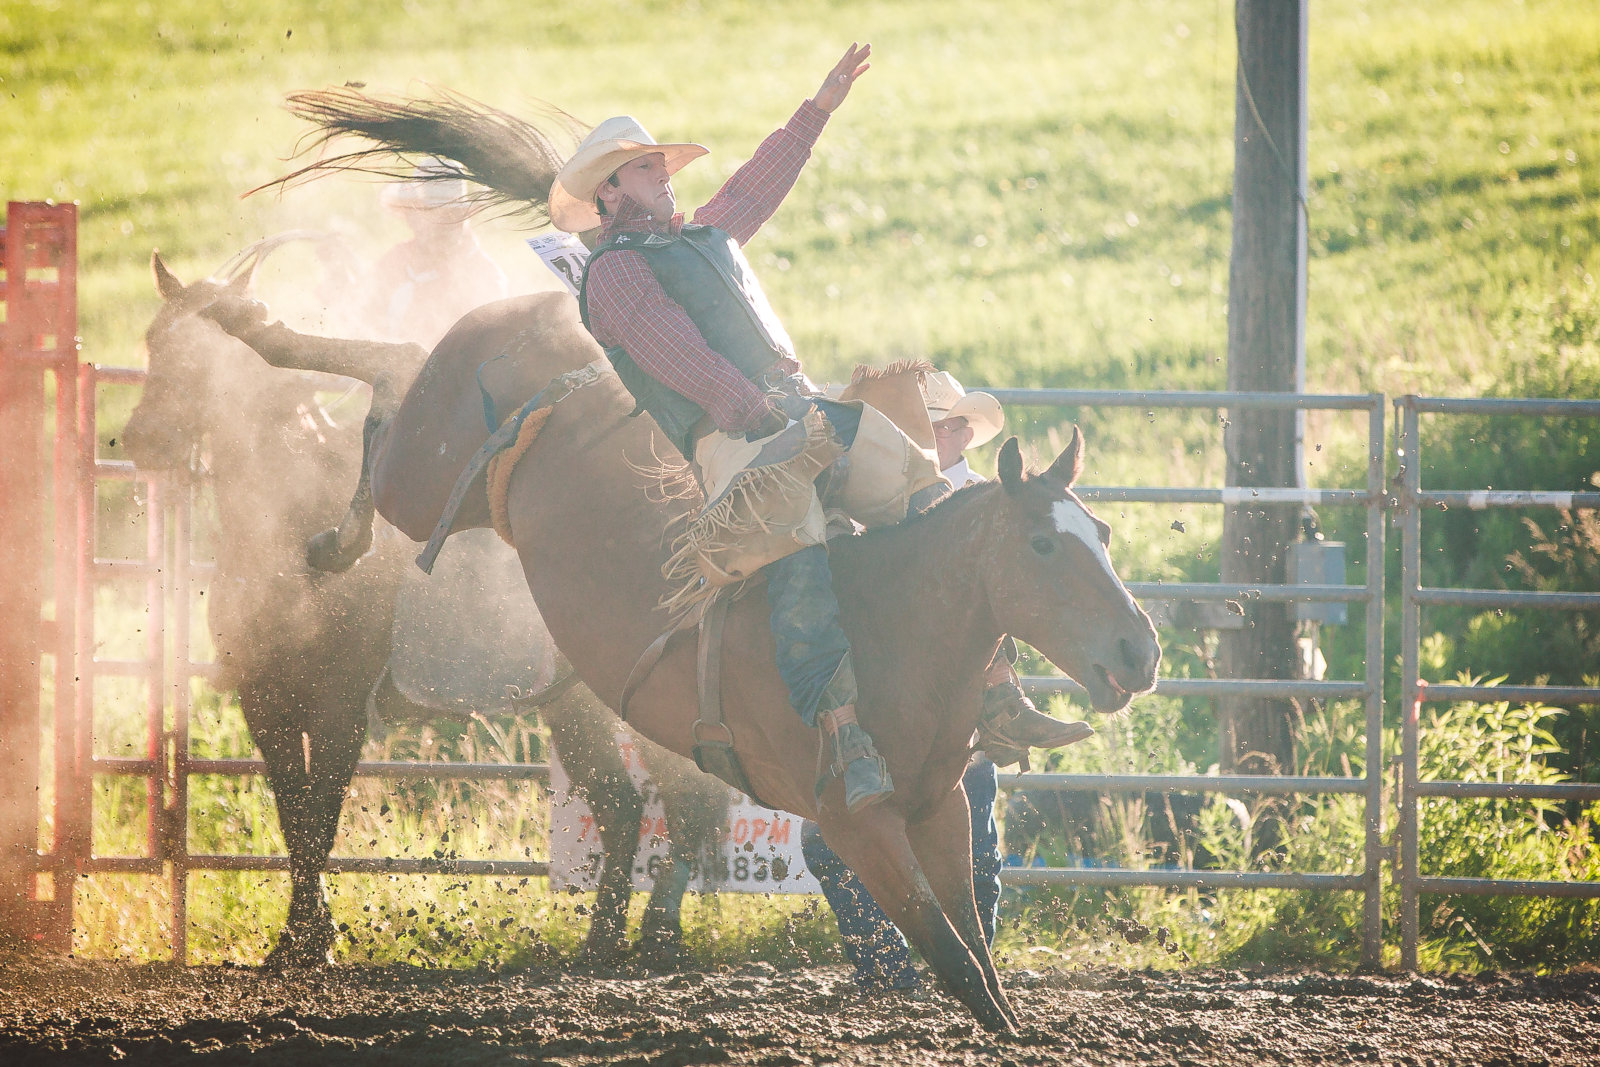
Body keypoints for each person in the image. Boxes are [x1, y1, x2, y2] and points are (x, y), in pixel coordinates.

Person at [552, 44, 916, 814]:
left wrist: (815, 111)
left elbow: (756, 184)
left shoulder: (698, 237)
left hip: (791, 409)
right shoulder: (614, 273)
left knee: (919, 481)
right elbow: (683, 361)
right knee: (801, 553)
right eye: (647, 169)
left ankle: (986, 685)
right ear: (610, 190)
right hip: (737, 438)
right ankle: (845, 733)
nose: (665, 176)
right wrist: (761, 410)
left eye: (660, 165)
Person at [800, 373, 1092, 992]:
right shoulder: (877, 497)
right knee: (847, 840)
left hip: (939, 711)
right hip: (889, 702)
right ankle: (896, 974)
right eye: (945, 422)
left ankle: (955, 970)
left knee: (970, 839)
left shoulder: (973, 501)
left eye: (960, 423)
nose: (957, 432)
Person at [360, 158, 509, 347]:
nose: (447, 226)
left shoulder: (483, 278)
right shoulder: (396, 260)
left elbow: (481, 354)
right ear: (411, 218)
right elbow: (361, 317)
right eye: (437, 216)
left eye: (454, 215)